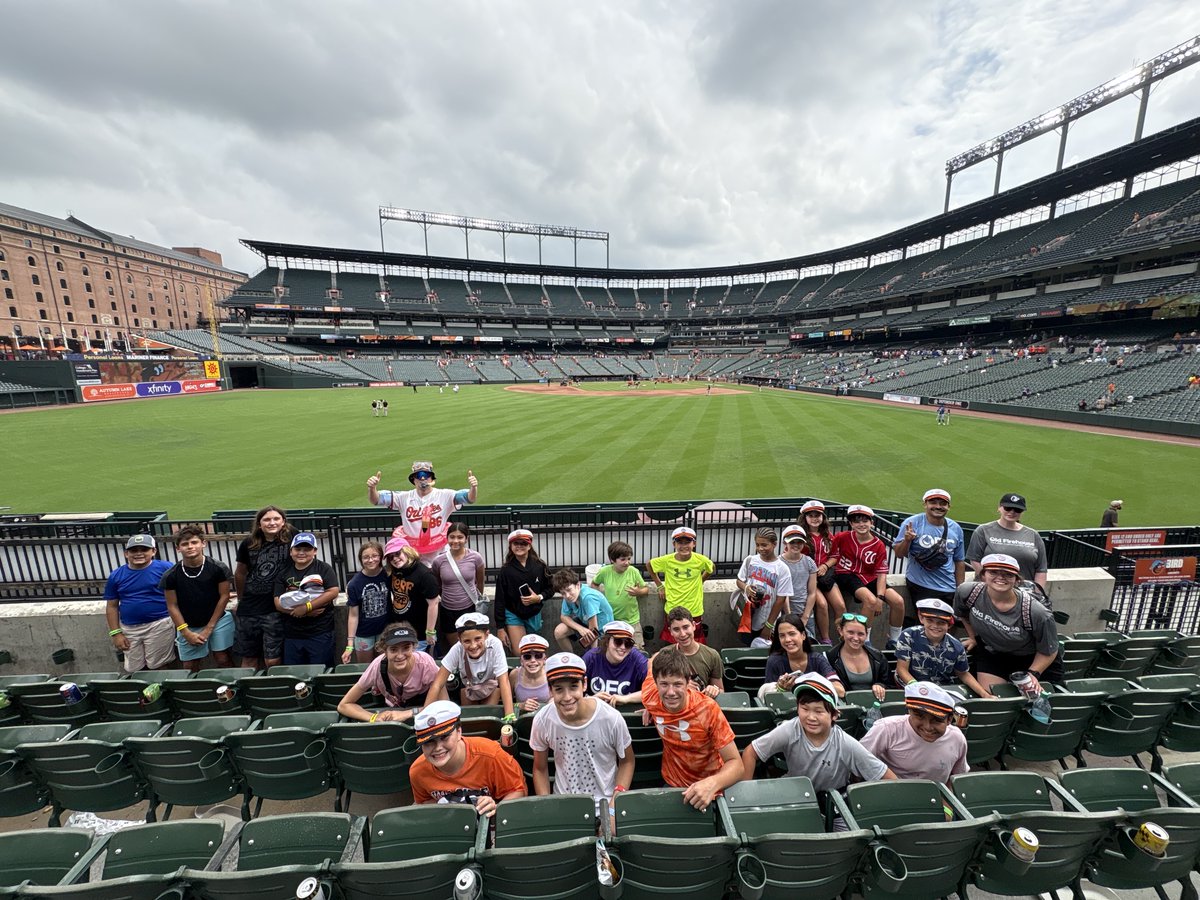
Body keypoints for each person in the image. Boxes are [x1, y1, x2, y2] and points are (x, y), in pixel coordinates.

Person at [740, 673, 894, 791]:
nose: (811, 717)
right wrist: (745, 794)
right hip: (797, 794)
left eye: (819, 711)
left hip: (834, 798)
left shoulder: (845, 743)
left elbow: (885, 775)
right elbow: (750, 752)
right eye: (805, 709)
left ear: (834, 715)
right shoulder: (790, 729)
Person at [531, 652, 634, 819]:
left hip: (605, 806)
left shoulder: (610, 718)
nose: (567, 697)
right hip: (563, 803)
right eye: (558, 689)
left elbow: (627, 761)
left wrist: (614, 806)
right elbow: (540, 768)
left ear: (584, 684)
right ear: (550, 690)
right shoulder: (543, 720)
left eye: (573, 687)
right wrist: (547, 805)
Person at [639, 646, 742, 810]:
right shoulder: (649, 696)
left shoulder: (707, 710)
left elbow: (737, 764)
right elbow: (653, 660)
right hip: (672, 783)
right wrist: (650, 709)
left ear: (689, 683)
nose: (671, 692)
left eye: (678, 684)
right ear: (656, 683)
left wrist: (712, 784)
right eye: (664, 684)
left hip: (710, 789)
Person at [954, 553, 1062, 694]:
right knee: (997, 698)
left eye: (1008, 574)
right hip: (993, 653)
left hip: (1031, 659)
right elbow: (963, 614)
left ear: (1017, 580)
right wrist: (973, 638)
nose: (1000, 577)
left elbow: (1049, 649)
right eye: (993, 572)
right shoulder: (967, 592)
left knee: (1035, 705)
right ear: (983, 575)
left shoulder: (1037, 612)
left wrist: (1033, 673)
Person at [409, 699, 527, 817]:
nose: (438, 748)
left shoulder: (491, 755)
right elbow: (423, 801)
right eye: (428, 742)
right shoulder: (418, 771)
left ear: (459, 732)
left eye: (445, 737)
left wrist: (497, 807)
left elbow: (517, 791)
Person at [366, 460, 479, 562]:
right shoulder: (403, 497)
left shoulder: (445, 495)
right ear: (413, 480)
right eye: (419, 476)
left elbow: (469, 498)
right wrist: (372, 488)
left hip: (439, 551)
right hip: (412, 552)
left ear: (432, 478)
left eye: (426, 475)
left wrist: (473, 487)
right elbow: (376, 500)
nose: (423, 478)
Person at [860, 681, 968, 784]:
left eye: (936, 720)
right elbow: (858, 765)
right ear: (909, 711)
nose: (927, 727)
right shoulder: (886, 729)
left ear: (949, 720)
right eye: (919, 716)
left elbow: (957, 779)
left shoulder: (957, 738)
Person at [161, 525, 234, 673]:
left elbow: (224, 596)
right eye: (185, 544)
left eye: (194, 542)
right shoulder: (171, 575)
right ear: (178, 548)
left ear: (203, 544)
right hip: (187, 625)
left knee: (222, 658)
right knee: (189, 666)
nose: (190, 547)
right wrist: (185, 632)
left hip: (217, 621)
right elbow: (172, 605)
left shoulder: (218, 568)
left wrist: (209, 628)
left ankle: (230, 690)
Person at [831, 505, 905, 647]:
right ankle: (865, 640)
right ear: (851, 524)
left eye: (865, 521)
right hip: (846, 574)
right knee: (870, 601)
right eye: (857, 521)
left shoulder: (879, 545)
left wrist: (880, 597)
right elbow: (832, 554)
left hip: (869, 577)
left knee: (898, 601)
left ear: (872, 523)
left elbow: (882, 573)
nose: (861, 524)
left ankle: (895, 640)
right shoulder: (842, 537)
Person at [337, 623, 438, 722]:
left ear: (414, 647)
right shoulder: (377, 666)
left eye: (406, 648)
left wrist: (407, 714)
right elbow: (344, 705)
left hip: (425, 713)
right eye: (393, 650)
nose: (400, 655)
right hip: (391, 712)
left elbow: (443, 704)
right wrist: (373, 717)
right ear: (385, 651)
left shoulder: (425, 664)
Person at [105, 533, 176, 673]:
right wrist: (116, 633)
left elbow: (184, 588)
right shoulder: (116, 575)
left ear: (153, 551)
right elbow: (112, 606)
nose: (139, 554)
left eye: (144, 549)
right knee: (134, 669)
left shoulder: (166, 568)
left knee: (159, 665)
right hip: (129, 628)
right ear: (126, 553)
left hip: (159, 624)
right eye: (134, 550)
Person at [233, 505, 294, 670]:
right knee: (248, 660)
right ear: (259, 524)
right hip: (249, 608)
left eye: (276, 519)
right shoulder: (248, 543)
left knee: (272, 661)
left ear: (283, 522)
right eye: (267, 519)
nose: (272, 523)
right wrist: (240, 599)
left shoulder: (292, 537)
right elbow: (240, 573)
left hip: (274, 609)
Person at [895, 599, 989, 697]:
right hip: (910, 686)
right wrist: (919, 688)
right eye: (930, 620)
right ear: (922, 619)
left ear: (949, 625)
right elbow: (902, 669)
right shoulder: (908, 635)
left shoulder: (956, 646)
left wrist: (985, 694)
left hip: (942, 690)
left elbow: (963, 674)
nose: (935, 626)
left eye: (941, 623)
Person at [427, 613, 515, 717]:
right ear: (459, 639)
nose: (473, 646)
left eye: (478, 639)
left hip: (491, 687)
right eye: (467, 641)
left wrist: (509, 714)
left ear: (486, 635)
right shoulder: (457, 649)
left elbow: (503, 680)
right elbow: (437, 684)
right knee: (468, 719)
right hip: (468, 687)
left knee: (486, 719)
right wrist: (425, 713)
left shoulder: (495, 644)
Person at [273, 531, 340, 667]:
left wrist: (307, 607)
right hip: (292, 634)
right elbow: (277, 603)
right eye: (298, 549)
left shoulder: (323, 568)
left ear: (315, 551)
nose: (301, 553)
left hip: (320, 632)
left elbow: (333, 591)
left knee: (321, 671)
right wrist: (303, 612)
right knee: (295, 673)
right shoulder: (283, 572)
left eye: (307, 549)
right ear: (291, 551)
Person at [892, 488, 966, 606]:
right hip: (920, 586)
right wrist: (907, 540)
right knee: (928, 622)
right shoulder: (912, 523)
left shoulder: (956, 528)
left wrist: (960, 589)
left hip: (949, 588)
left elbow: (959, 561)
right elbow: (899, 554)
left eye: (943, 503)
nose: (938, 506)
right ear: (925, 504)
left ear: (948, 507)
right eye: (933, 502)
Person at [966, 493, 1048, 594]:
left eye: (1017, 510)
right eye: (1008, 508)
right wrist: (991, 583)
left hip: (1025, 592)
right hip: (990, 590)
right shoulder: (983, 530)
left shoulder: (1033, 535)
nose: (1012, 512)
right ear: (999, 508)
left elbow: (1041, 569)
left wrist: (1038, 594)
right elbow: (975, 560)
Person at [649, 526, 715, 644]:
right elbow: (649, 565)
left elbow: (711, 568)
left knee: (694, 643)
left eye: (687, 542)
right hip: (672, 608)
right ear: (674, 544)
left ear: (694, 543)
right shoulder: (667, 560)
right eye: (680, 542)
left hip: (694, 610)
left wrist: (701, 580)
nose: (684, 546)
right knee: (672, 643)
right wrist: (659, 585)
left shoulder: (701, 560)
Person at [757, 613, 841, 702]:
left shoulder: (817, 659)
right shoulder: (775, 661)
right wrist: (781, 689)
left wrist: (804, 685)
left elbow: (840, 691)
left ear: (803, 635)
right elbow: (768, 698)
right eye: (782, 635)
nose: (787, 640)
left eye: (792, 634)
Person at [492, 529, 552, 650]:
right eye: (516, 543)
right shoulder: (505, 570)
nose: (520, 546)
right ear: (511, 546)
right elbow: (500, 599)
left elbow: (551, 588)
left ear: (529, 546)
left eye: (523, 543)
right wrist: (500, 627)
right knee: (521, 651)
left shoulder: (540, 566)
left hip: (534, 613)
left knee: (534, 651)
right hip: (513, 614)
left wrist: (538, 598)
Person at [734, 527, 793, 646]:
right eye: (757, 544)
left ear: (774, 544)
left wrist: (769, 626)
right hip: (748, 617)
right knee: (748, 647)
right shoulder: (750, 560)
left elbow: (780, 600)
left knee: (765, 652)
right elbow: (739, 580)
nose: (760, 548)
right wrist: (747, 589)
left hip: (768, 620)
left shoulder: (782, 568)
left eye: (764, 545)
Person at [431, 522, 486, 648]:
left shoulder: (475, 557)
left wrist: (478, 599)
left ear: (466, 539)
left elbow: (480, 582)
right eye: (452, 537)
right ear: (447, 538)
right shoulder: (439, 561)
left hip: (469, 607)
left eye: (460, 537)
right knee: (456, 648)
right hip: (447, 609)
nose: (456, 541)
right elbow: (437, 584)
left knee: (471, 645)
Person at [383, 535, 442, 653]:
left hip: (420, 634)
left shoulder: (424, 574)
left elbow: (434, 603)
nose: (394, 558)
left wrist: (430, 632)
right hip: (400, 630)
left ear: (407, 551)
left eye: (397, 553)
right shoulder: (394, 571)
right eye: (390, 557)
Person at [799, 500, 845, 642]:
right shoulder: (801, 536)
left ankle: (843, 638)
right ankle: (826, 640)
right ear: (804, 518)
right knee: (822, 604)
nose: (815, 518)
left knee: (840, 606)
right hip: (809, 579)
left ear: (823, 517)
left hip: (825, 577)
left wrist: (825, 565)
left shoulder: (828, 536)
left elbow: (835, 556)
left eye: (818, 515)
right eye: (811, 515)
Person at [591, 541, 650, 649]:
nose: (627, 562)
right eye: (623, 559)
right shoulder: (605, 571)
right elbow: (594, 583)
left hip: (632, 620)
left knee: (636, 649)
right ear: (612, 560)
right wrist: (599, 600)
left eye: (629, 558)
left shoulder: (633, 571)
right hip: (610, 620)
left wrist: (639, 592)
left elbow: (646, 589)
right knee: (611, 649)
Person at [825, 613, 892, 702]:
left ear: (866, 634)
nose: (856, 638)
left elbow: (890, 685)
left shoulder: (878, 657)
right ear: (840, 631)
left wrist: (881, 685)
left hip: (876, 704)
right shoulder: (830, 658)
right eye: (850, 632)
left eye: (860, 634)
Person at [343, 541, 391, 664]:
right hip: (364, 634)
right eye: (366, 557)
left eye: (374, 556)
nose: (370, 560)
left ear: (381, 557)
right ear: (360, 559)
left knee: (385, 667)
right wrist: (349, 645)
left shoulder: (388, 575)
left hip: (384, 631)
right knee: (366, 668)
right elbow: (353, 615)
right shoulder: (354, 584)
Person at [661, 607, 724, 697]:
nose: (682, 634)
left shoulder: (712, 655)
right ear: (670, 631)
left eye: (686, 627)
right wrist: (680, 686)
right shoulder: (664, 655)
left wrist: (714, 690)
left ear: (694, 625)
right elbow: (656, 688)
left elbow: (721, 691)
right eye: (676, 629)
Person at [585, 620, 649, 706]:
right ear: (607, 642)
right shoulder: (591, 657)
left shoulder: (636, 659)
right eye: (618, 641)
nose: (623, 647)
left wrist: (626, 698)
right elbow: (572, 689)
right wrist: (592, 699)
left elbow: (655, 688)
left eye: (628, 643)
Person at [552, 568, 614, 650]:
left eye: (569, 590)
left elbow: (593, 631)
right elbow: (564, 616)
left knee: (591, 654)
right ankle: (571, 659)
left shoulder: (588, 598)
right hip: (585, 625)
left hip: (602, 632)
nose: (567, 595)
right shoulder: (570, 596)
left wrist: (591, 655)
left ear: (577, 585)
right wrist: (580, 628)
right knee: (559, 631)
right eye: (563, 593)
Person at [779, 525, 820, 637]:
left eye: (799, 542)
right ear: (785, 543)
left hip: (805, 612)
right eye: (792, 542)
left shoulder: (809, 562)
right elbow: (783, 592)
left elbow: (812, 592)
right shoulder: (779, 563)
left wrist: (805, 616)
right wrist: (789, 615)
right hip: (785, 613)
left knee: (810, 642)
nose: (796, 545)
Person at [509, 633, 551, 714]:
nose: (533, 660)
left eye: (538, 656)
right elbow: (506, 704)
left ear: (545, 659)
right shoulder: (514, 675)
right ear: (521, 660)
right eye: (527, 657)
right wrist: (520, 706)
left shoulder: (551, 673)